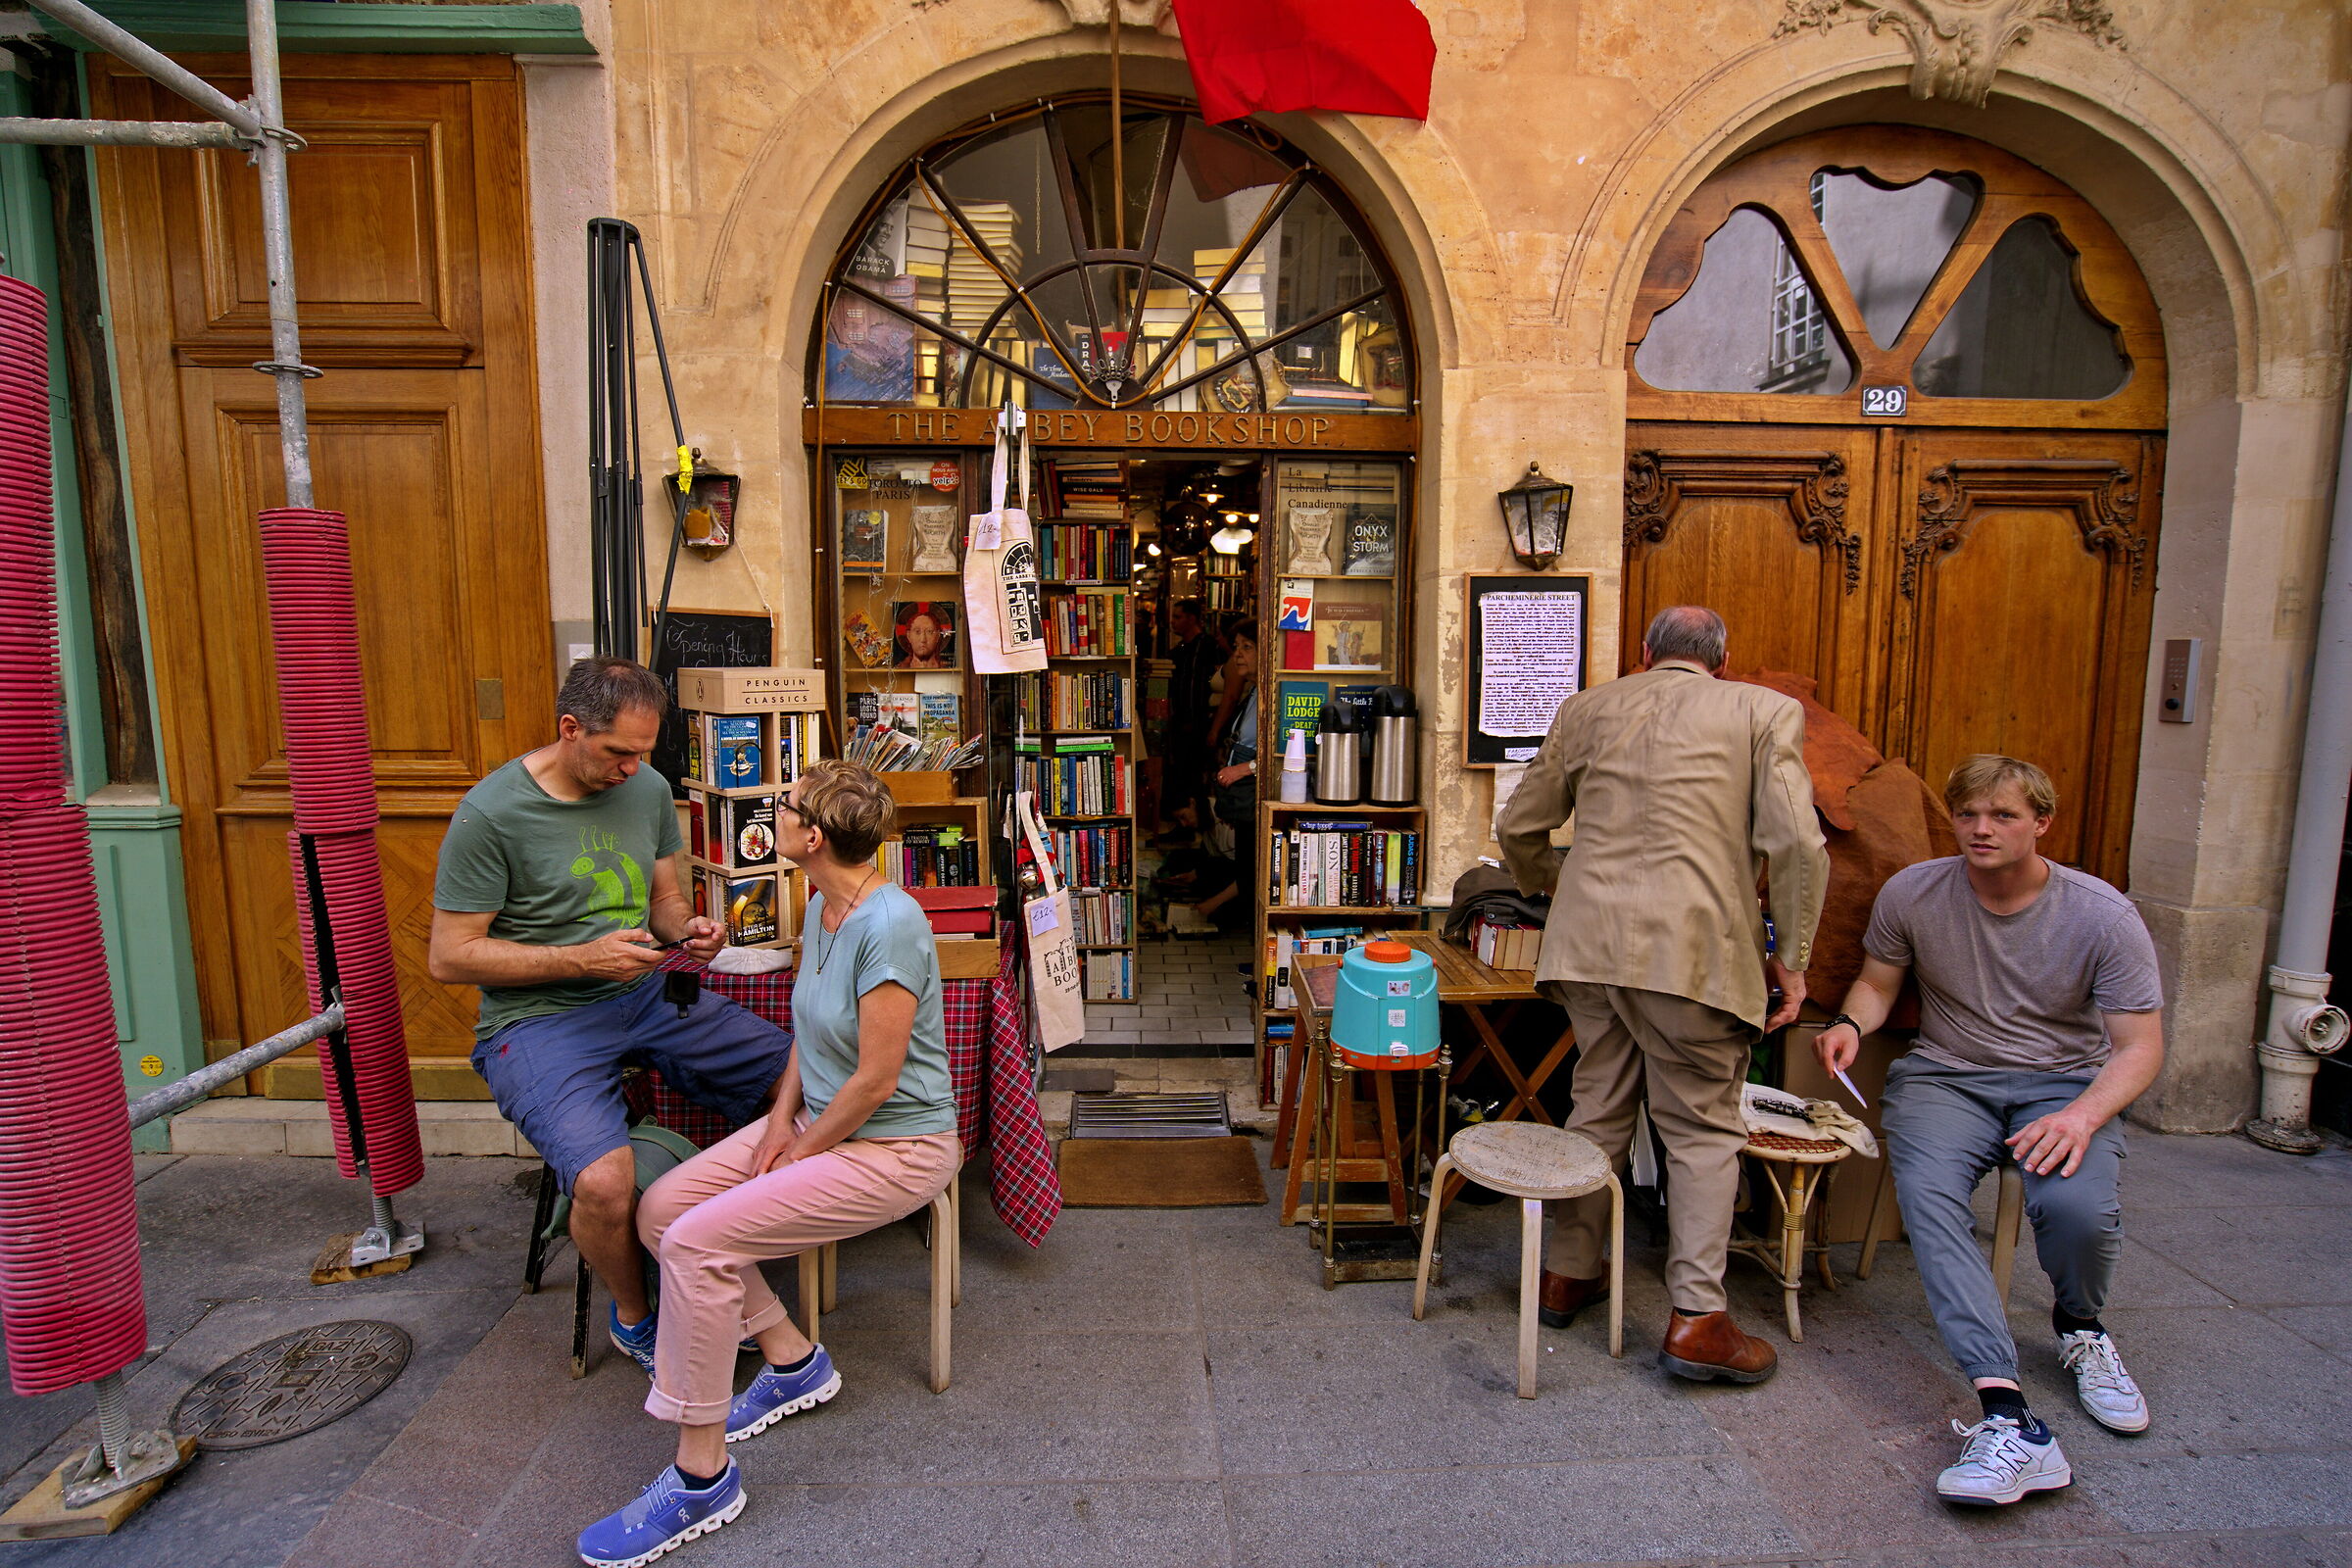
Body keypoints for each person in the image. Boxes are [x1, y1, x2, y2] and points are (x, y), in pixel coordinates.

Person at [573, 759, 961, 1565]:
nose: (775, 811)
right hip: (822, 1121)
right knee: (661, 1213)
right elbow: (815, 1045)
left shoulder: (888, 925)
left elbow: (877, 1078)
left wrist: (799, 1152)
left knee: (697, 1243)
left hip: (897, 1144)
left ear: (812, 836)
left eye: (785, 806)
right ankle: (791, 1359)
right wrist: (781, 1119)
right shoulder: (822, 902)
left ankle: (701, 1474)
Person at [1814, 755, 2164, 1507]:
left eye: (2003, 815)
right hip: (1949, 1075)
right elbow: (1879, 982)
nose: (1981, 828)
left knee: (2074, 1209)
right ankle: (2008, 1414)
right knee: (1933, 1201)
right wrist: (1849, 1023)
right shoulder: (1914, 892)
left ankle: (2080, 1328)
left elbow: (2140, 1047)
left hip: (2066, 1085)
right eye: (1969, 813)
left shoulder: (2101, 914)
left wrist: (2081, 1114)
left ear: (2042, 823)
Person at [429, 658, 793, 1376]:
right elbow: (450, 956)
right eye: (617, 753)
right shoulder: (492, 814)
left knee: (800, 1072)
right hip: (535, 1021)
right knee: (601, 1179)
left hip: (645, 993)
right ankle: (637, 1318)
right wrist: (580, 960)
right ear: (570, 730)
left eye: (643, 754)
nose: (632, 769)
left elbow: (664, 902)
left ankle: (730, 1250)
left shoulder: (648, 788)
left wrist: (690, 928)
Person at [1496, 605, 1826, 1384]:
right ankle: (1698, 1317)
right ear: (1722, 657)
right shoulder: (1763, 711)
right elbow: (1797, 844)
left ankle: (1568, 1273)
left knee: (1599, 1102)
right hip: (1696, 952)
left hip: (1588, 950)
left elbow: (1520, 829)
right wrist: (1796, 957)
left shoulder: (1586, 708)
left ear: (1645, 654)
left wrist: (1559, 889)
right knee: (1703, 1129)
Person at [1192, 625, 1260, 925]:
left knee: (1251, 866)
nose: (1238, 654)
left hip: (1253, 789)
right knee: (1245, 861)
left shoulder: (1276, 695)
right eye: (1236, 646)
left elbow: (1287, 753)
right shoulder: (1256, 690)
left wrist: (1244, 769)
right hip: (1243, 792)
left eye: (1247, 647)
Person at [1162, 597, 1216, 829]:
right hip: (1180, 722)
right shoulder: (1178, 652)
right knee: (1180, 774)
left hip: (1201, 723)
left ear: (1191, 618)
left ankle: (1194, 824)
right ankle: (1182, 823)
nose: (1172, 622)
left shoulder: (1207, 646)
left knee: (1194, 776)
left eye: (1177, 616)